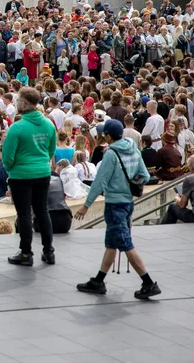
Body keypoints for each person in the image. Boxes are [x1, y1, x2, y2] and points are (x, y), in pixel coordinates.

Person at [75, 120, 160, 299]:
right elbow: (144, 175)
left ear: (107, 135)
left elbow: (99, 183)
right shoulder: (134, 149)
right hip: (128, 202)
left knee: (126, 244)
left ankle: (148, 282)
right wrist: (128, 184)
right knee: (112, 243)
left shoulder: (110, 154)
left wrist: (85, 206)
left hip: (114, 204)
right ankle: (99, 280)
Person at [2, 87, 57, 266]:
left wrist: (13, 168)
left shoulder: (17, 127)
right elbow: (50, 151)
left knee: (24, 213)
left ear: (24, 103)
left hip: (21, 174)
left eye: (18, 100)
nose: (17, 103)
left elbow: (7, 158)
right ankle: (49, 251)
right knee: (42, 210)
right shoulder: (48, 125)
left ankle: (26, 253)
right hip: (43, 172)